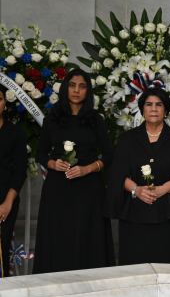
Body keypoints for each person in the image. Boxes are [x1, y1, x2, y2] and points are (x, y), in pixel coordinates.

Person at [105, 86, 170, 265]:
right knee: (134, 269)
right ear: (142, 109)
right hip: (134, 216)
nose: (153, 109)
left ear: (166, 111)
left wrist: (163, 189)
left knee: (169, 266)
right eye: (149, 104)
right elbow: (117, 175)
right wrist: (137, 189)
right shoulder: (127, 139)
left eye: (159, 105)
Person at [34, 69, 115, 273]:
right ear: (65, 89)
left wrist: (87, 169)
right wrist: (53, 164)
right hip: (57, 189)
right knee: (58, 236)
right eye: (72, 85)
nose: (76, 90)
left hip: (89, 190)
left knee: (88, 236)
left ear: (87, 91)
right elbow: (41, 153)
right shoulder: (51, 119)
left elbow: (109, 155)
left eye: (82, 86)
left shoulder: (96, 120)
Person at [0, 85, 27, 277]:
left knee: (2, 247)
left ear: (5, 102)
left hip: (5, 199)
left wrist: (8, 202)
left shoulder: (16, 133)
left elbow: (20, 171)